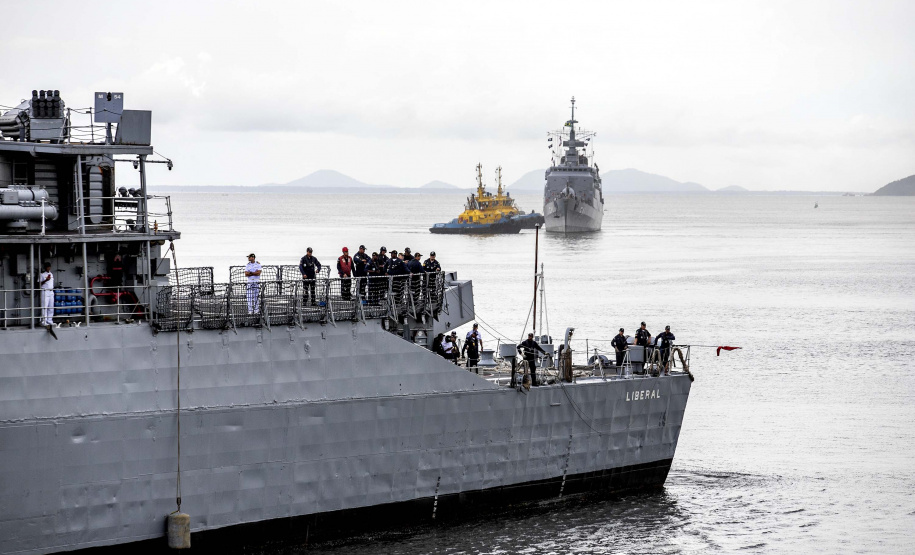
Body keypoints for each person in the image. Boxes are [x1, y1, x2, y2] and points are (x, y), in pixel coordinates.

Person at [39, 262, 54, 327]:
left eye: (49, 267)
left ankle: (49, 320)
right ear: (45, 267)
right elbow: (39, 284)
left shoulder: (51, 274)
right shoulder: (42, 274)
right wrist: (46, 280)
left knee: (51, 307)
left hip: (51, 291)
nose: (49, 268)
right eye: (48, 267)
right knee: (44, 307)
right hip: (45, 291)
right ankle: (43, 321)